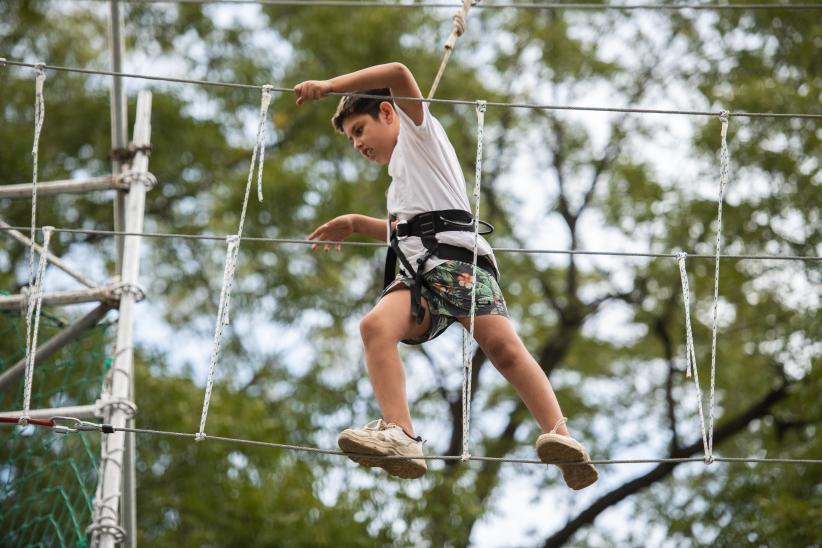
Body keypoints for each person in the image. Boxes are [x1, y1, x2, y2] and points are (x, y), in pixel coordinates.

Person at [295, 62, 597, 489]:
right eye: (350, 140)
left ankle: (562, 439)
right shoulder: (397, 181)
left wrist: (329, 86)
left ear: (387, 112)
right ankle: (401, 435)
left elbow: (398, 72)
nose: (357, 143)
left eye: (359, 129)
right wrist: (357, 222)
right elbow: (407, 229)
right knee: (374, 326)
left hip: (458, 266)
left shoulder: (421, 137)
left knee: (504, 350)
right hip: (420, 278)